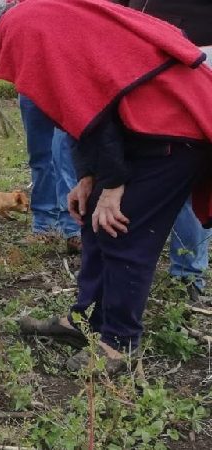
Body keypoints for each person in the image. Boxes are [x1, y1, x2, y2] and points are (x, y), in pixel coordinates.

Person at [0, 0, 212, 374]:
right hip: (135, 126)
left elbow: (94, 111)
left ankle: (118, 343)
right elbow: (77, 110)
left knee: (122, 226)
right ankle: (85, 320)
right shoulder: (24, 30)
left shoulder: (24, 30)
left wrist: (113, 185)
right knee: (91, 216)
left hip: (170, 123)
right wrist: (89, 178)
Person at [113, 0, 212, 303]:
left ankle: (188, 275)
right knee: (158, 165)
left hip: (196, 52)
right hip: (146, 57)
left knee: (190, 166)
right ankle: (139, 267)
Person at [18, 95, 82, 254]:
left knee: (64, 154)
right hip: (30, 83)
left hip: (65, 80)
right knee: (39, 156)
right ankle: (44, 226)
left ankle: (74, 229)